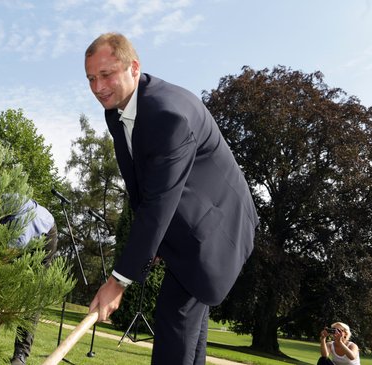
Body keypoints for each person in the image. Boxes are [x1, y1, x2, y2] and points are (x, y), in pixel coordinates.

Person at [84, 32, 259, 365]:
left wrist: (117, 282)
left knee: (174, 317)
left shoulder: (168, 115)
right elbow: (145, 186)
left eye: (106, 74)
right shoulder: (117, 111)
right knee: (187, 328)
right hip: (188, 229)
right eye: (91, 78)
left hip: (217, 231)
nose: (97, 87)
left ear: (133, 67)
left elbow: (159, 201)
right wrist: (156, 246)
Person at [0, 195, 58, 365]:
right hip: (20, 237)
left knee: (31, 297)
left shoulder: (18, 218)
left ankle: (20, 355)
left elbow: (7, 255)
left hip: (45, 237)